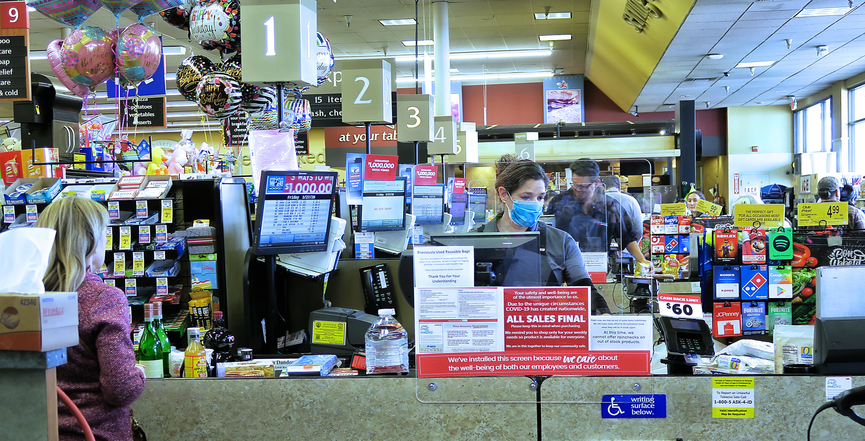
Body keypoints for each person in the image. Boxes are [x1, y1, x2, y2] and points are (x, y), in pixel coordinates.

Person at [35, 197, 146, 441]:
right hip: (94, 432)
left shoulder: (22, 298)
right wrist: (138, 373)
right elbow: (120, 388)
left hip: (36, 430)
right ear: (91, 244)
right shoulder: (103, 298)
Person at [478, 154, 610, 314]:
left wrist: (603, 313)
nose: (535, 204)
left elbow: (584, 289)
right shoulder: (476, 241)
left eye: (540, 197)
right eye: (526, 197)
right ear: (504, 194)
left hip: (544, 331)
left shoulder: (560, 242)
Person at [545, 158, 647, 264]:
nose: (578, 190)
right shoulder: (560, 202)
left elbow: (628, 237)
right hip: (564, 265)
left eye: (584, 186)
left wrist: (642, 261)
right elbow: (546, 232)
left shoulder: (610, 205)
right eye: (575, 185)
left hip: (598, 266)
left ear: (596, 182)